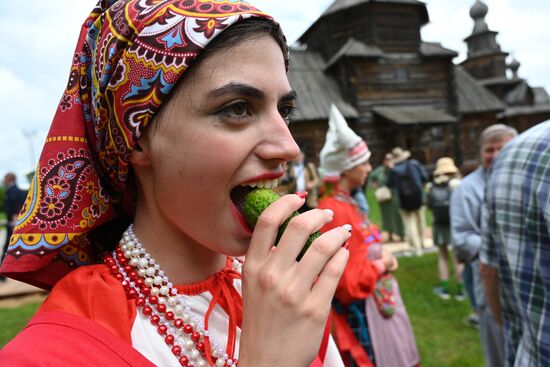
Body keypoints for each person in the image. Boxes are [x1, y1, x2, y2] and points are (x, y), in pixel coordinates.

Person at [0, 2, 351, 366]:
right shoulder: (50, 354)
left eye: (285, 111)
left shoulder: (286, 293)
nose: (289, 148)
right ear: (136, 137)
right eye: (237, 108)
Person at [317, 105, 419, 367]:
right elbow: (348, 284)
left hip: (375, 306)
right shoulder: (335, 210)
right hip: (365, 312)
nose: (368, 168)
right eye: (363, 163)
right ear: (346, 168)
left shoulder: (344, 203)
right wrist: (381, 265)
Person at [480, 121, 550, 367]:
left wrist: (515, 333)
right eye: (489, 149)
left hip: (530, 353)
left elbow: (489, 270)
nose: (494, 154)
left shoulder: (512, 156)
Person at [450, 124, 517, 367]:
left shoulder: (521, 183)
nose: (497, 154)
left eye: (503, 148)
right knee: (499, 350)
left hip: (526, 282)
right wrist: (507, 246)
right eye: (490, 149)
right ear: (480, 152)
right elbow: (462, 239)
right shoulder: (467, 189)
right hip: (490, 281)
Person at [426, 158, 463, 300]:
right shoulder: (458, 184)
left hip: (439, 223)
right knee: (457, 257)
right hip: (454, 223)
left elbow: (429, 205)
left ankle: (445, 289)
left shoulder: (431, 186)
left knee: (442, 255)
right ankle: (461, 290)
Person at [387, 147, 428, 256]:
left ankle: (416, 247)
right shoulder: (414, 164)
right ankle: (422, 242)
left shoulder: (394, 170)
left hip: (403, 199)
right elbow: (424, 177)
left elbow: (389, 184)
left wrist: (390, 169)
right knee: (420, 220)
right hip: (418, 196)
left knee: (410, 224)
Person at [369, 153, 404, 242]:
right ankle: (390, 235)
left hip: (395, 194)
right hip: (384, 197)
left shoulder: (396, 169)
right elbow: (372, 177)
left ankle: (401, 234)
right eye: (387, 159)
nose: (388, 161)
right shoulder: (380, 170)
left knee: (397, 214)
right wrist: (376, 186)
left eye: (390, 159)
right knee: (386, 216)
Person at [0, 173, 27, 281]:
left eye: (5, 178)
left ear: (9, 179)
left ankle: (1, 272)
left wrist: (15, 222)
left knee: (7, 247)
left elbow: (17, 206)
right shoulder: (18, 190)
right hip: (16, 224)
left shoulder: (12, 191)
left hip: (13, 224)